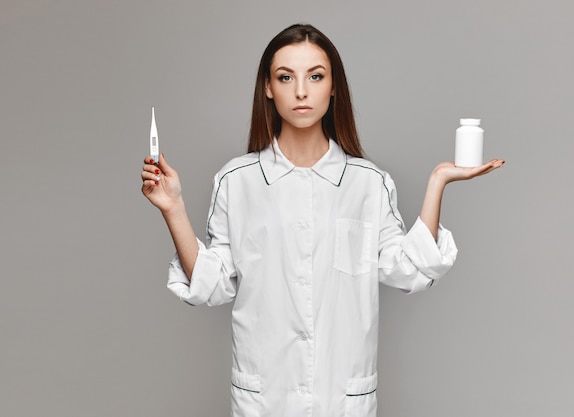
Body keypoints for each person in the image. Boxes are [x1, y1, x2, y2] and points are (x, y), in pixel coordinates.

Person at [141, 23, 504, 417]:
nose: (301, 91)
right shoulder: (237, 180)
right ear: (268, 87)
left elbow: (409, 271)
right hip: (265, 398)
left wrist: (438, 182)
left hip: (342, 399)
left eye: (315, 76)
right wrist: (173, 208)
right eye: (286, 77)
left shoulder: (369, 183)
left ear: (333, 88)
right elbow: (212, 284)